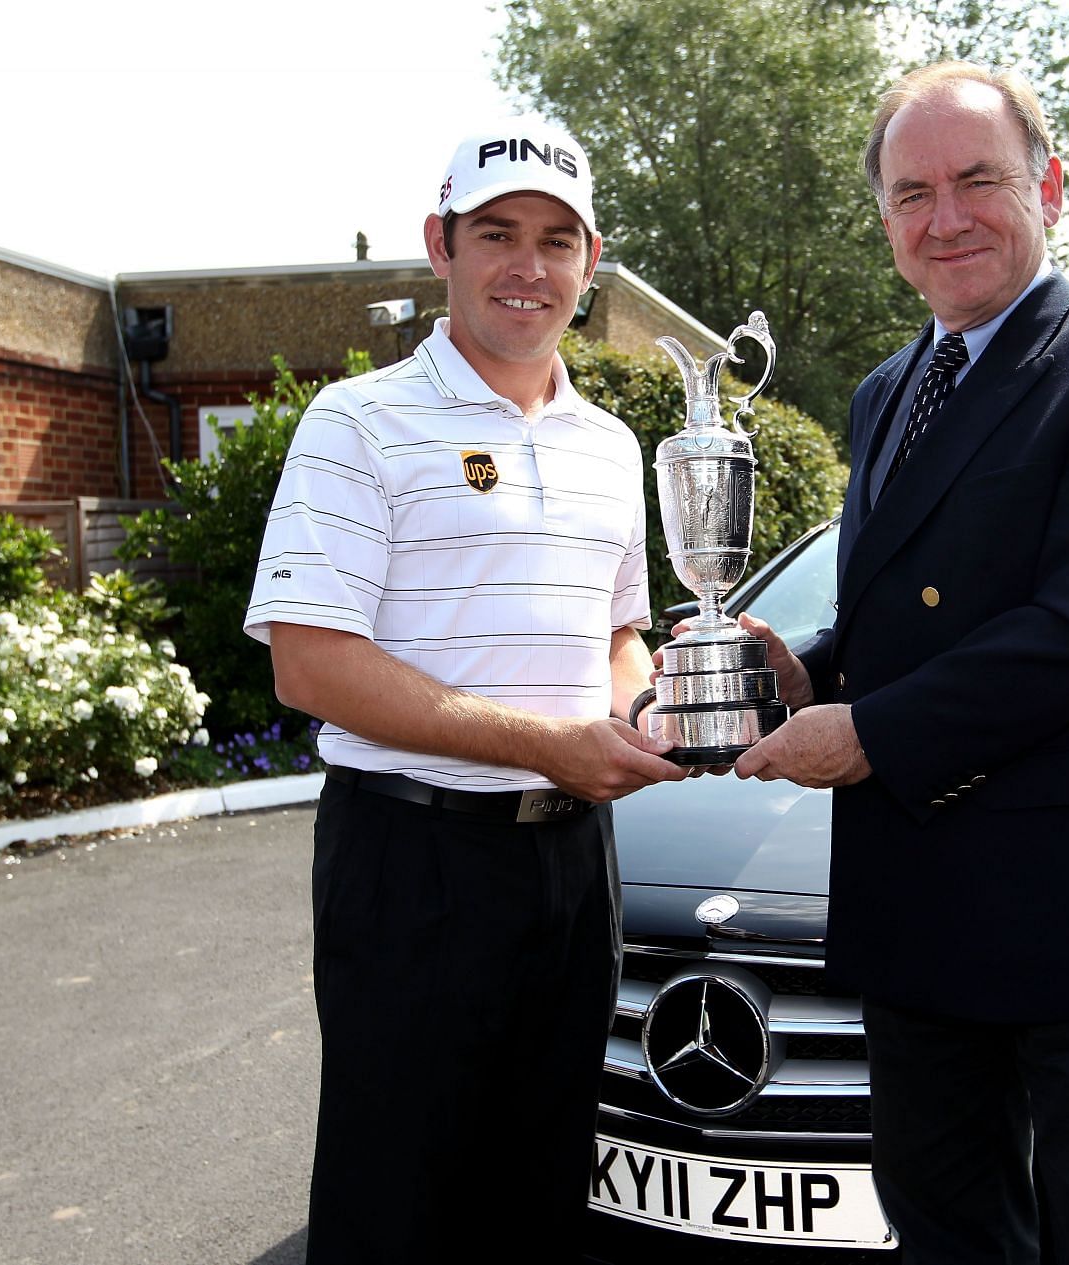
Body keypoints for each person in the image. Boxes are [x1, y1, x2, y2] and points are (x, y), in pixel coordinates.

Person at [734, 63, 1069, 1264]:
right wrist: (808, 670)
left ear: (1047, 186)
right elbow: (908, 612)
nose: (944, 218)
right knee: (948, 1235)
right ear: (888, 222)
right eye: (912, 193)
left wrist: (863, 732)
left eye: (977, 181)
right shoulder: (884, 391)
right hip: (920, 905)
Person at [243, 116, 686, 1263]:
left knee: (542, 1191)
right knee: (397, 1200)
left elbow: (620, 634)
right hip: (413, 865)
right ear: (440, 243)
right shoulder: (358, 422)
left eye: (556, 239)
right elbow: (312, 662)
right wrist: (550, 743)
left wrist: (635, 711)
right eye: (497, 234)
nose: (526, 267)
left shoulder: (611, 443)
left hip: (573, 864)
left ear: (593, 265)